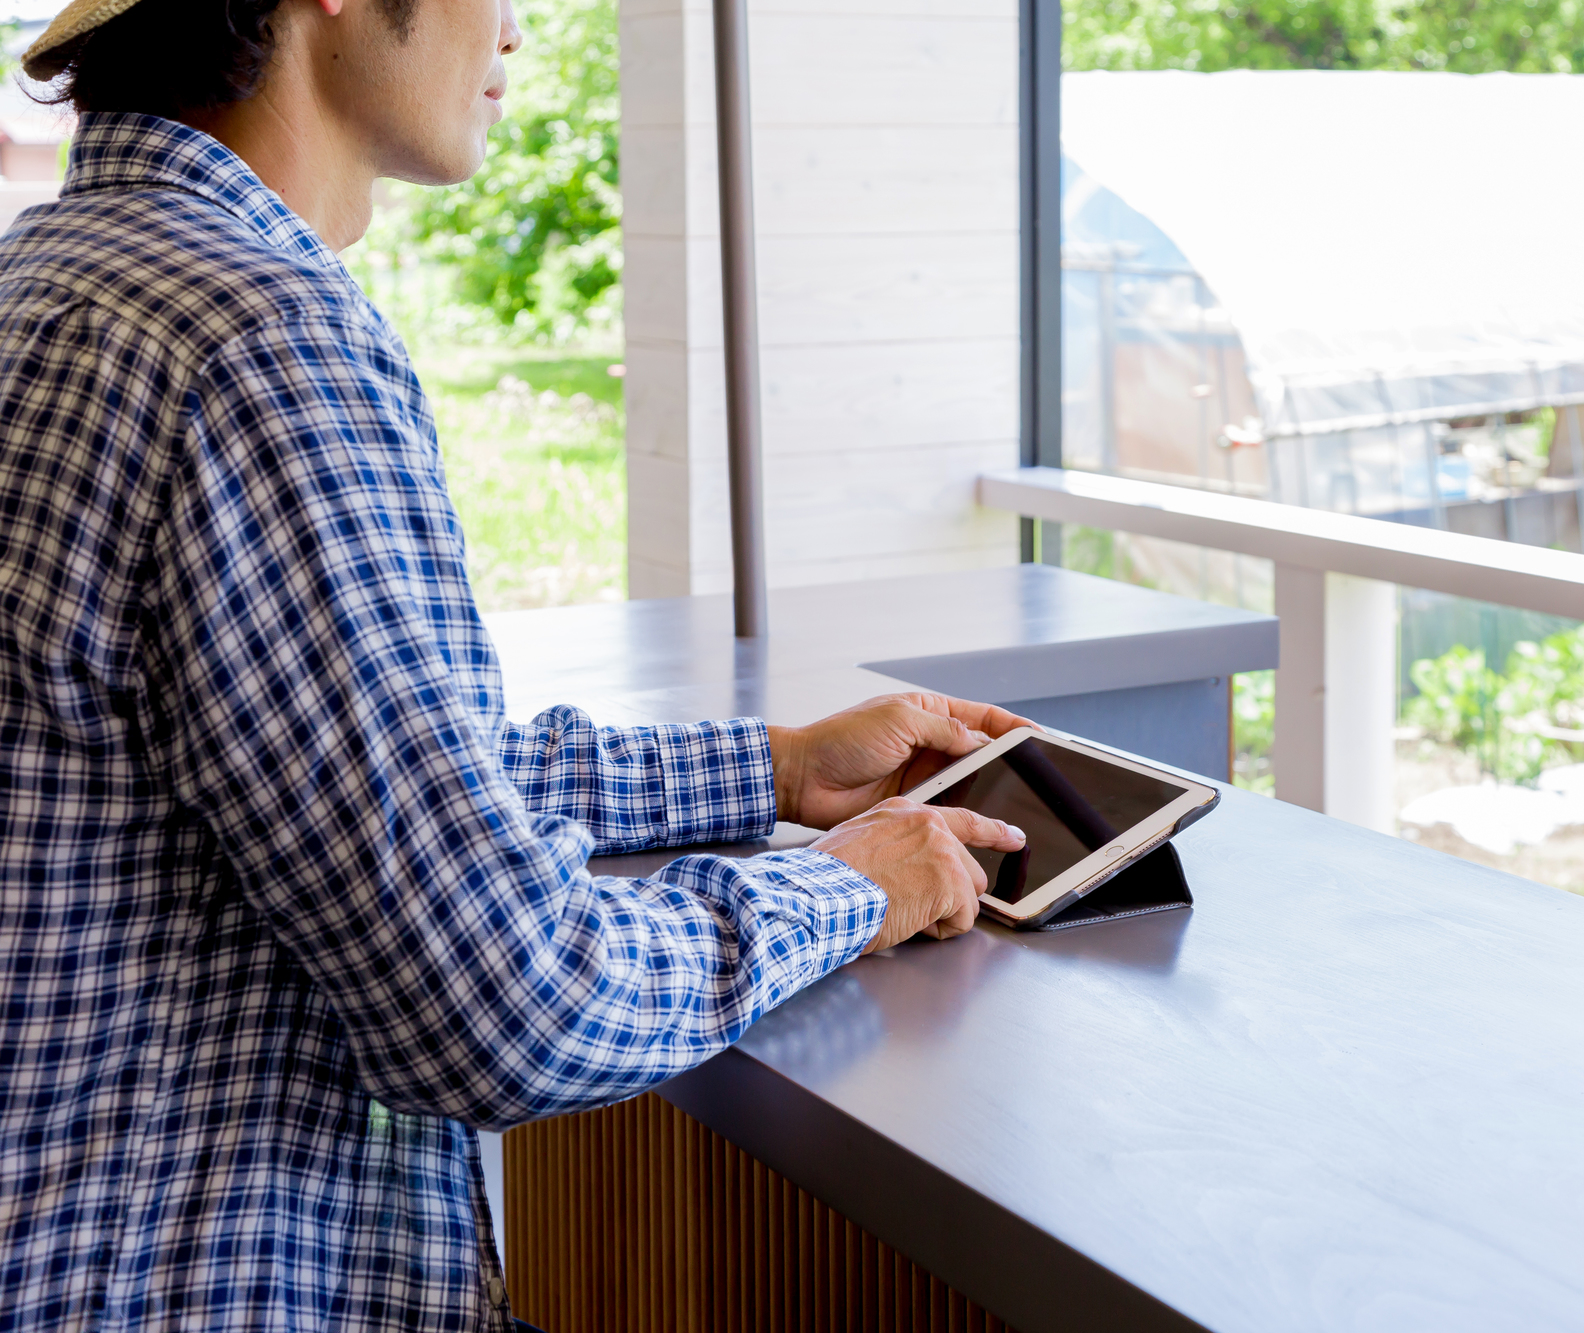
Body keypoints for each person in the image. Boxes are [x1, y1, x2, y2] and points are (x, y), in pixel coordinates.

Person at [0, 0, 1027, 1329]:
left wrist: (767, 768)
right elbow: (506, 997)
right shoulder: (260, 343)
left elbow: (335, 754)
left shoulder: (58, 277)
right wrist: (848, 892)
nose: (518, 33)